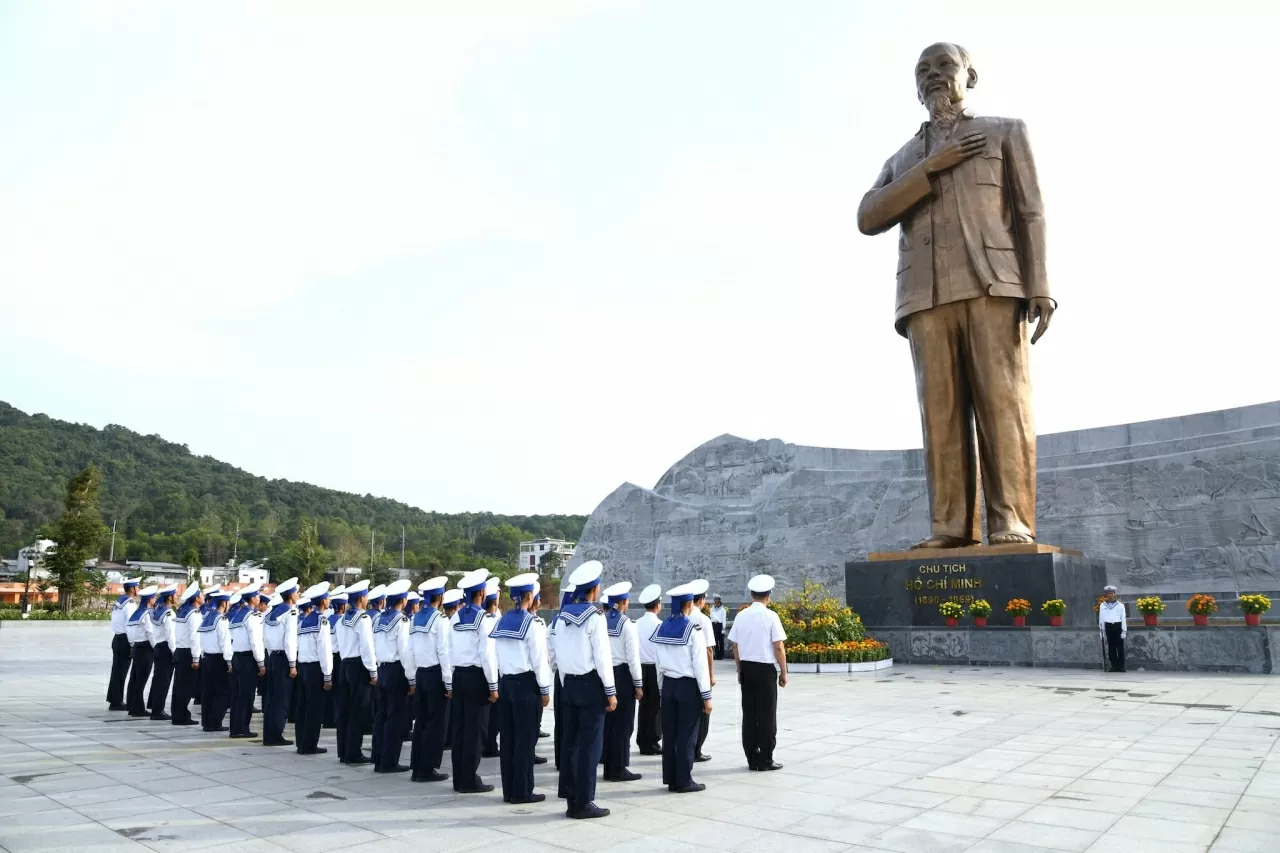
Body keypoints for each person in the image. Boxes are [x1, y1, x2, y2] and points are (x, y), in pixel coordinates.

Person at [856, 42, 1054, 549]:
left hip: (992, 283)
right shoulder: (902, 158)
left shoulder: (1006, 132)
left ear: (971, 75)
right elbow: (868, 215)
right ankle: (949, 527)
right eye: (923, 70)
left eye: (945, 65)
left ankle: (1010, 519)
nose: (933, 75)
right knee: (939, 415)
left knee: (1002, 405)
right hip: (925, 296)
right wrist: (930, 169)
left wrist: (1040, 285)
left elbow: (1030, 211)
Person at [549, 561, 616, 820]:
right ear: (594, 589)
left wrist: (564, 680)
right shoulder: (596, 618)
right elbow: (602, 657)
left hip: (569, 685)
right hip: (590, 685)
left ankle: (571, 799)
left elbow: (555, 654)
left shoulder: (561, 617)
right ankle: (585, 799)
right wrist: (610, 692)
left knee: (570, 744)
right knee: (590, 746)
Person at [491, 572, 552, 804]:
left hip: (506, 683)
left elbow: (496, 655)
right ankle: (523, 790)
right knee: (525, 741)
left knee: (508, 740)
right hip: (526, 685)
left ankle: (509, 790)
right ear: (530, 596)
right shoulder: (533, 623)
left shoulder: (502, 620)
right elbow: (538, 660)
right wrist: (545, 690)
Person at [652, 584, 712, 794]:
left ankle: (670, 778)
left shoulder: (662, 628)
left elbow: (658, 663)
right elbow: (700, 666)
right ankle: (684, 780)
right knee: (687, 735)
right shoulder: (693, 630)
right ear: (689, 604)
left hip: (668, 685)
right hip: (688, 687)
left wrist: (662, 690)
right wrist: (706, 696)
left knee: (670, 734)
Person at [728, 574, 788, 771]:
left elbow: (735, 646)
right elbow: (778, 646)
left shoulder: (741, 615)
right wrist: (784, 672)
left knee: (749, 713)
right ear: (768, 596)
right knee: (767, 714)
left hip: (747, 668)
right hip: (764, 670)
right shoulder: (771, 616)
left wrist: (739, 668)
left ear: (752, 595)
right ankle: (766, 758)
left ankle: (752, 757)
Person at [449, 570, 499, 793]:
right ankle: (469, 778)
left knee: (459, 729)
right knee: (476, 731)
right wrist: (493, 686)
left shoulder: (455, 617)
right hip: (477, 678)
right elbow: (487, 655)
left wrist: (449, 680)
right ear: (482, 593)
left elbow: (449, 651)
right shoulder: (484, 619)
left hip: (458, 675)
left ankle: (459, 777)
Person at [600, 581, 643, 782]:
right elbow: (633, 657)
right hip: (623, 676)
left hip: (606, 674)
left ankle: (609, 765)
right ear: (623, 602)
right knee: (623, 724)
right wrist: (638, 683)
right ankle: (619, 767)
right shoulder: (627, 624)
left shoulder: (600, 620)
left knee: (609, 723)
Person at [409, 577, 451, 783]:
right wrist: (448, 682)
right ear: (441, 597)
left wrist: (412, 678)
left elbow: (410, 652)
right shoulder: (440, 620)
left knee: (421, 722)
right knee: (436, 724)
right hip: (435, 674)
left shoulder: (415, 618)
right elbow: (443, 652)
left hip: (420, 673)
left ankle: (417, 765)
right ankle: (428, 767)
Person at [372, 579, 415, 773]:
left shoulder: (379, 619)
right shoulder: (402, 621)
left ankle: (379, 757)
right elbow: (405, 652)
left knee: (381, 716)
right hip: (397, 671)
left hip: (382, 669)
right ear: (403, 600)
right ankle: (389, 762)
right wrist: (411, 678)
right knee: (394, 718)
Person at [336, 580, 377, 765]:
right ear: (361, 598)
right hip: (359, 666)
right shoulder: (363, 618)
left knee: (344, 710)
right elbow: (367, 646)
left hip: (345, 664)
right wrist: (373, 670)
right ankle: (353, 752)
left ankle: (343, 751)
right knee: (357, 711)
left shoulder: (342, 619)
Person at [296, 582, 334, 755]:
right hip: (315, 668)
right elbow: (325, 650)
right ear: (323, 601)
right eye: (327, 598)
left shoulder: (305, 620)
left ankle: (301, 742)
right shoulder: (321, 620)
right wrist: (327, 675)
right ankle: (309, 744)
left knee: (303, 707)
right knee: (314, 709)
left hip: (303, 665)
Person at [262, 578, 300, 747]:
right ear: (291, 595)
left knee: (271, 698)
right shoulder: (290, 613)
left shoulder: (271, 613)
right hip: (284, 658)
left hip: (273, 657)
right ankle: (276, 735)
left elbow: (266, 639)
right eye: (297, 592)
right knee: (281, 699)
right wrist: (292, 664)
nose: (298, 595)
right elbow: (290, 640)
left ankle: (269, 734)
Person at [228, 583, 266, 739]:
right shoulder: (252, 616)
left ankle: (235, 728)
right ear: (252, 599)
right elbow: (255, 641)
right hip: (248, 659)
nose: (259, 599)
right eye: (257, 596)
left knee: (237, 695)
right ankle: (242, 728)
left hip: (236, 656)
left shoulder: (238, 614)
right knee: (246, 695)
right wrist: (261, 662)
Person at [198, 589, 234, 732]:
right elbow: (225, 642)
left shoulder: (208, 617)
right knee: (224, 692)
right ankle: (215, 722)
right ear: (224, 603)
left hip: (206, 657)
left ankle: (207, 722)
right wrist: (229, 662)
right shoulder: (221, 620)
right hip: (219, 659)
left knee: (208, 692)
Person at [633, 584, 663, 755]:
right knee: (655, 707)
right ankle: (652, 740)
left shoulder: (636, 623)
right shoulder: (659, 624)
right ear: (657, 604)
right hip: (654, 668)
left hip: (640, 668)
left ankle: (642, 738)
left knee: (643, 705)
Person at [548, 580, 574, 772]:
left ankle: (560, 758)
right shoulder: (574, 623)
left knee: (561, 720)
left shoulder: (553, 623)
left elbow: (552, 655)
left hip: (559, 675)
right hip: (573, 676)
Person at [687, 579, 715, 762]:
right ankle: (697, 749)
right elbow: (709, 650)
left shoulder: (684, 617)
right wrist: (711, 675)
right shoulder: (703, 620)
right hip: (701, 672)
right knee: (704, 712)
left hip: (684, 673)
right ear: (702, 600)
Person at [170, 584, 203, 726]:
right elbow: (195, 637)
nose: (203, 597)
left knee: (179, 686)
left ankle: (178, 714)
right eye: (200, 594)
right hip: (188, 652)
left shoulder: (183, 611)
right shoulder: (194, 614)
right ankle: (182, 715)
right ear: (196, 598)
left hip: (180, 650)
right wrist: (196, 657)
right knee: (186, 687)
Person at [108, 578, 141, 711]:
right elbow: (130, 626)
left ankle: (114, 699)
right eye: (137, 587)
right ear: (132, 589)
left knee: (116, 671)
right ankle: (117, 702)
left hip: (117, 638)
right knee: (121, 672)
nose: (138, 589)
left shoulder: (119, 602)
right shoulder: (130, 604)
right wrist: (133, 645)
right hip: (125, 640)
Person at [125, 585, 158, 717]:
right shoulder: (147, 613)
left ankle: (132, 706)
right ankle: (138, 708)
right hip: (145, 648)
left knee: (135, 678)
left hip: (137, 646)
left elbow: (129, 630)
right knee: (141, 679)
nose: (155, 600)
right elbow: (150, 633)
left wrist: (132, 645)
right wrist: (156, 649)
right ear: (150, 600)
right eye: (154, 597)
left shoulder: (137, 612)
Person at [147, 584, 179, 721]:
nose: (177, 597)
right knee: (163, 682)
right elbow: (171, 636)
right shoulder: (169, 613)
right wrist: (175, 653)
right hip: (166, 649)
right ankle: (157, 711)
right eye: (176, 595)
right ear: (170, 597)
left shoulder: (158, 611)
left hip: (159, 647)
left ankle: (155, 708)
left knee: (158, 680)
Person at [480, 576, 502, 759]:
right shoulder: (488, 620)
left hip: (491, 669)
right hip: (491, 670)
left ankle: (490, 742)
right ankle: (489, 744)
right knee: (492, 713)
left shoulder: (497, 616)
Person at [439, 588, 463, 753]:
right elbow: (446, 654)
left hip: (442, 672)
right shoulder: (450, 625)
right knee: (448, 712)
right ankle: (448, 739)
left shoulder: (445, 622)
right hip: (448, 673)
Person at [324, 587, 346, 730]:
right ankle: (333, 717)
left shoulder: (328, 619)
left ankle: (328, 717)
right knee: (337, 690)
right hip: (337, 657)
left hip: (328, 656)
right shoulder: (340, 621)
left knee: (329, 690)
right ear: (342, 606)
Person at [1099, 585, 1127, 673]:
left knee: (1120, 647)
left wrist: (1124, 631)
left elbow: (1123, 618)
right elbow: (1101, 619)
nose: (1110, 595)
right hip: (1108, 626)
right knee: (1111, 648)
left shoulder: (1120, 605)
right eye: (1108, 594)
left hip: (1118, 626)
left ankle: (1121, 666)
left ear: (1115, 594)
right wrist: (1102, 631)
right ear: (1106, 595)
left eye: (1112, 593)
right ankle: (1114, 666)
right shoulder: (1103, 605)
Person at [710, 595, 728, 660]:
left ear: (719, 601)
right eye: (714, 600)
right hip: (714, 624)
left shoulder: (723, 609)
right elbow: (711, 616)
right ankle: (716, 654)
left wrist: (723, 627)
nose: (715, 601)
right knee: (715, 641)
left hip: (720, 625)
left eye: (716, 599)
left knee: (721, 641)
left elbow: (723, 619)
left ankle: (721, 655)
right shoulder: (712, 609)